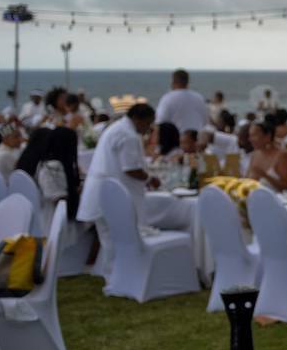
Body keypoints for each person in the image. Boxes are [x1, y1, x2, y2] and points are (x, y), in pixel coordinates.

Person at [77, 103, 159, 242]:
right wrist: (150, 179)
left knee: (109, 242)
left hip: (104, 192)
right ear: (137, 119)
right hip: (110, 195)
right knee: (115, 243)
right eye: (147, 123)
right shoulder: (128, 135)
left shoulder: (119, 128)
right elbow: (131, 169)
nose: (148, 128)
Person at [155, 69, 210, 135]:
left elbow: (160, 122)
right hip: (197, 140)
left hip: (176, 141)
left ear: (173, 81)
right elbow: (205, 122)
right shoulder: (199, 98)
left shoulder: (167, 98)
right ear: (187, 81)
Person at [244, 121, 287, 192]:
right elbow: (246, 179)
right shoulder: (255, 154)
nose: (250, 139)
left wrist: (266, 176)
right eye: (250, 136)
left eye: (254, 135)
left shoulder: (282, 156)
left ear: (267, 136)